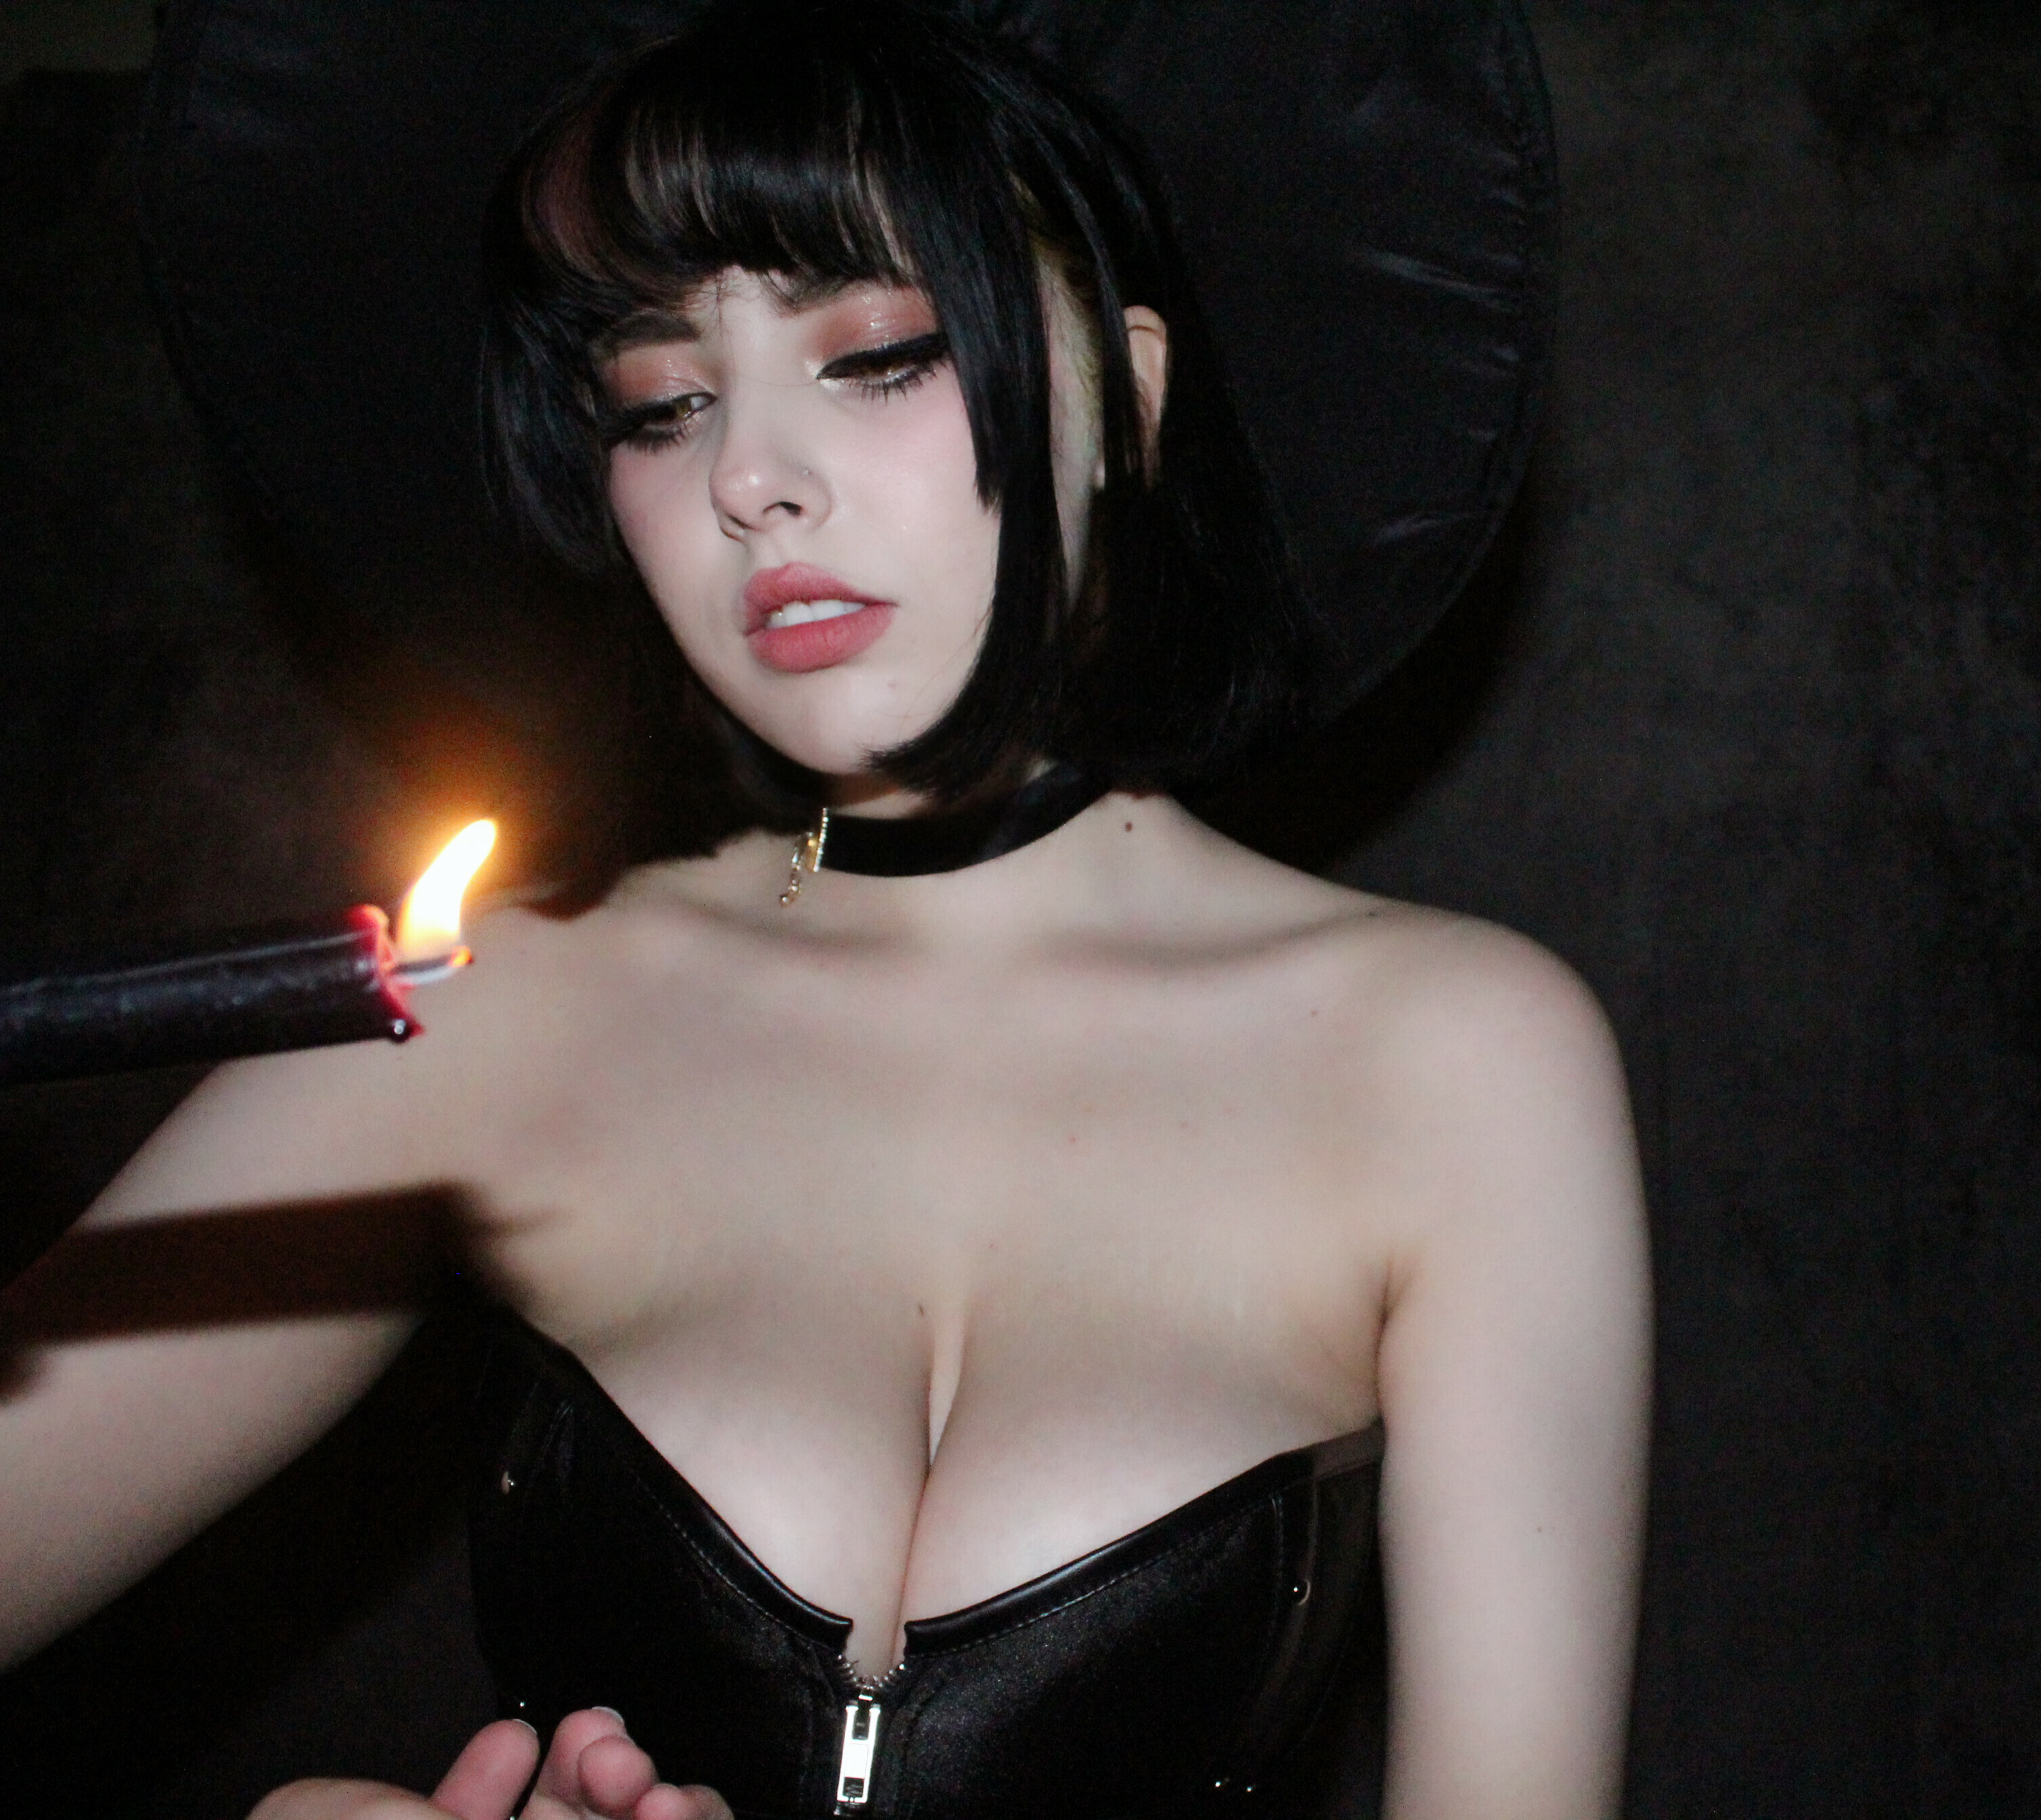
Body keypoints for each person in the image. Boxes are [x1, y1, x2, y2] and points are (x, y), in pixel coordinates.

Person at [0, 5, 1646, 1819]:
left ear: (1129, 395)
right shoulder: (484, 997)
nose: (746, 477)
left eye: (872, 354)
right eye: (661, 399)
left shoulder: (1459, 1063)